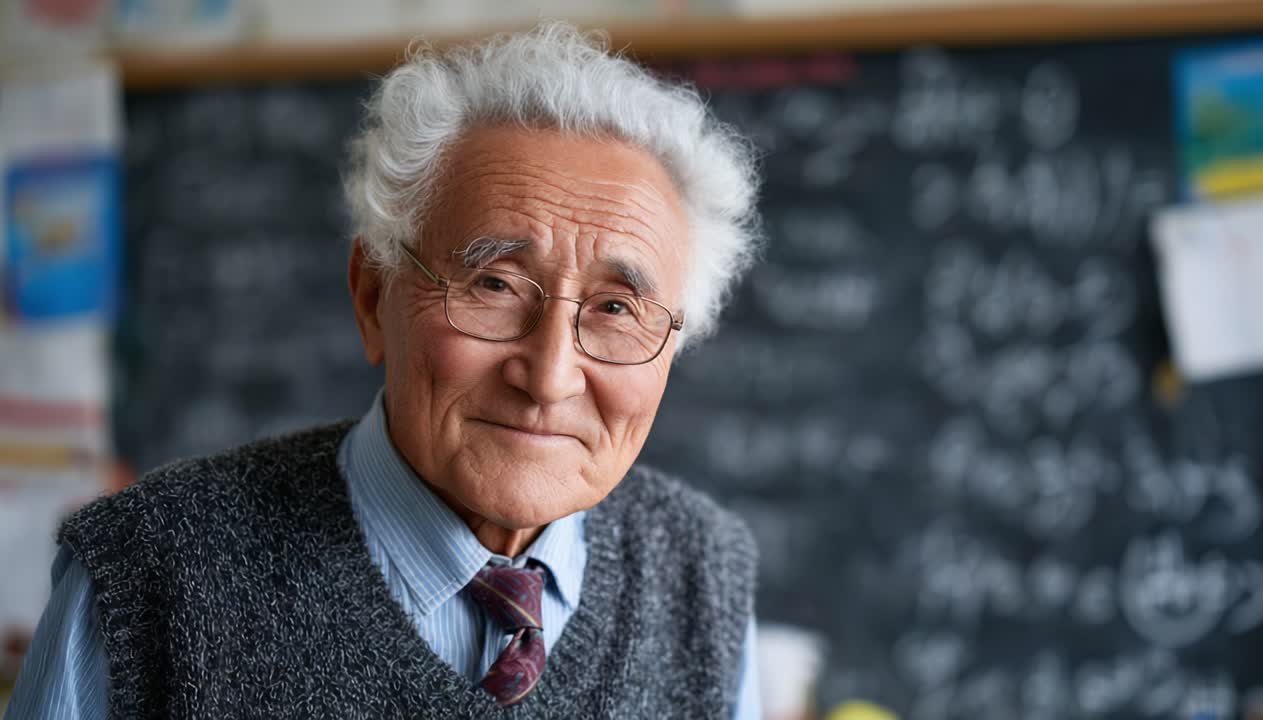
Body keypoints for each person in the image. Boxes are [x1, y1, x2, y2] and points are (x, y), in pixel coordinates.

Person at [10, 21, 763, 719]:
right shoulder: (147, 577)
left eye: (615, 309)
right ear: (373, 295)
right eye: (494, 285)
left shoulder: (704, 575)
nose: (550, 377)